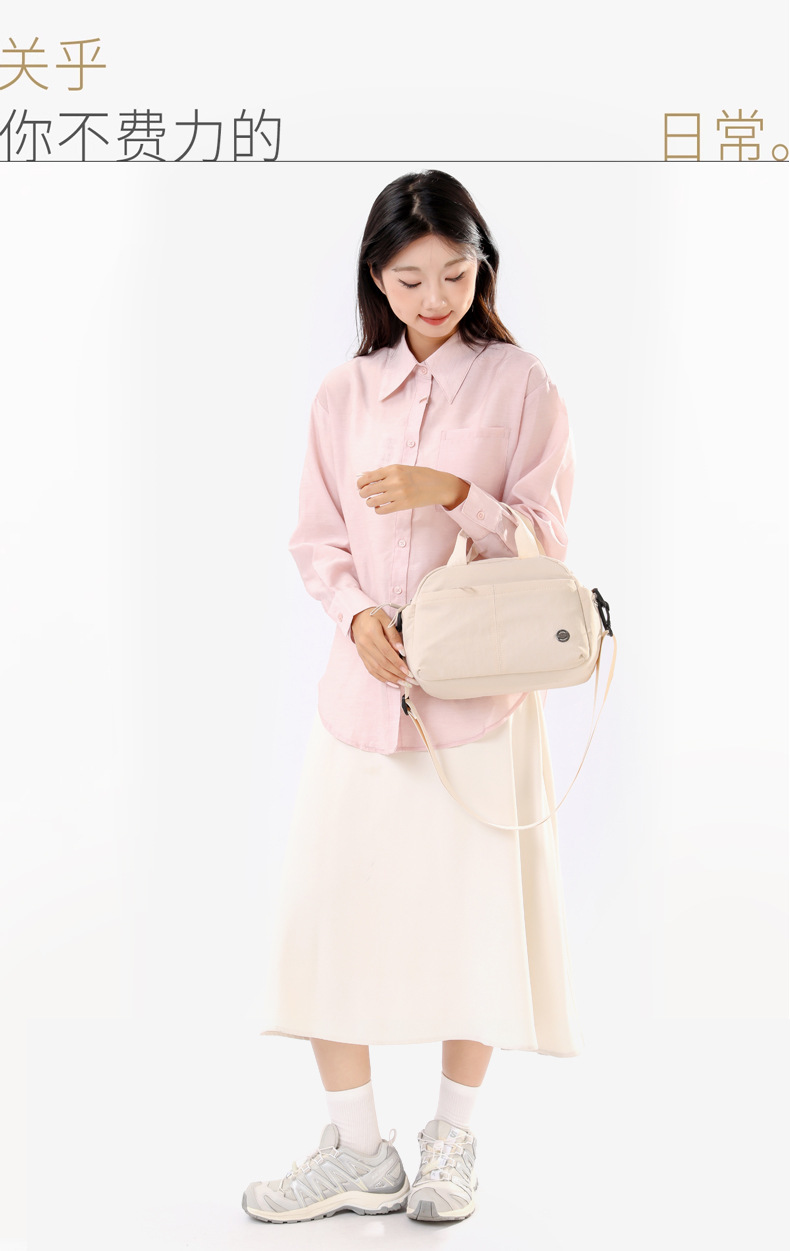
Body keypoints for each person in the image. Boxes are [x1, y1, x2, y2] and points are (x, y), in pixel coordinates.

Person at [242, 169, 583, 1225]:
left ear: (482, 269)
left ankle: (451, 1145)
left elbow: (545, 544)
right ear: (376, 280)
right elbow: (317, 539)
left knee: (473, 925)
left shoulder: (522, 385)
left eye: (453, 273)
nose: (434, 298)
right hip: (361, 702)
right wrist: (354, 616)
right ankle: (359, 1152)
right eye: (409, 279)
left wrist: (455, 494)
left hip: (477, 703)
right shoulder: (342, 396)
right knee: (324, 921)